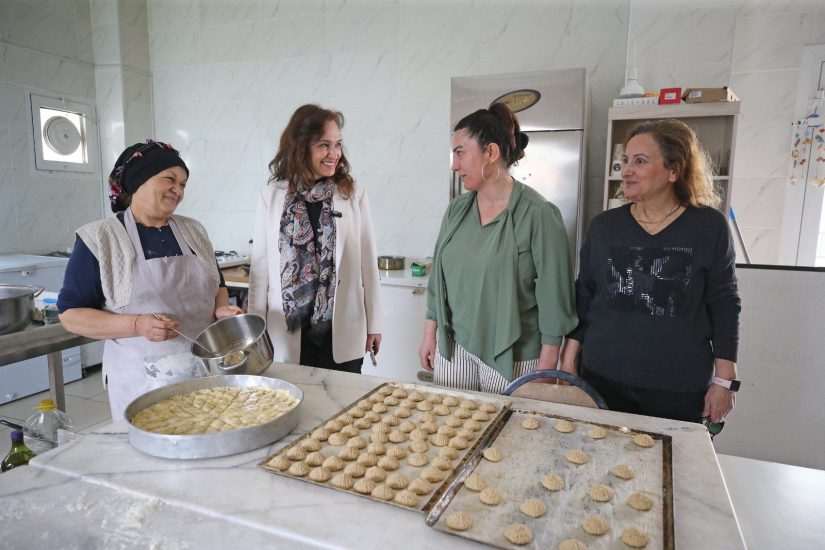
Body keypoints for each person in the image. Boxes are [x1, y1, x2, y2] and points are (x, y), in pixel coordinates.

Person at [560, 119, 741, 423]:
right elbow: (585, 294)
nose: (626, 170)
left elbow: (724, 304)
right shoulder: (605, 226)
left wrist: (725, 380)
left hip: (677, 387)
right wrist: (567, 363)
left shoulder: (708, 227)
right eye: (625, 161)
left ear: (674, 170)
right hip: (602, 379)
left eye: (640, 161)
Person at [58, 140, 242, 420]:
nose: (178, 190)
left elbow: (217, 284)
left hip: (205, 369)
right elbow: (71, 316)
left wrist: (220, 309)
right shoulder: (100, 238)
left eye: (183, 184)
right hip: (142, 382)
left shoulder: (194, 230)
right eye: (169, 179)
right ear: (138, 181)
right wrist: (136, 324)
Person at [419, 103, 577, 393]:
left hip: (516, 356)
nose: (454, 165)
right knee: (452, 429)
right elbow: (438, 279)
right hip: (454, 349)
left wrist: (548, 361)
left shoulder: (539, 215)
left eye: (460, 153)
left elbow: (555, 296)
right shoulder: (457, 211)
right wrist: (431, 333)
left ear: (490, 153)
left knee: (506, 434)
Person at [248, 104, 382, 373]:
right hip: (287, 329)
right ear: (301, 146)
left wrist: (374, 325)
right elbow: (260, 271)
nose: (334, 154)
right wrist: (255, 330)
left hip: (343, 326)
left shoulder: (352, 194)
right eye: (324, 145)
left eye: (338, 145)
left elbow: (369, 262)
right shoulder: (272, 196)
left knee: (345, 407)